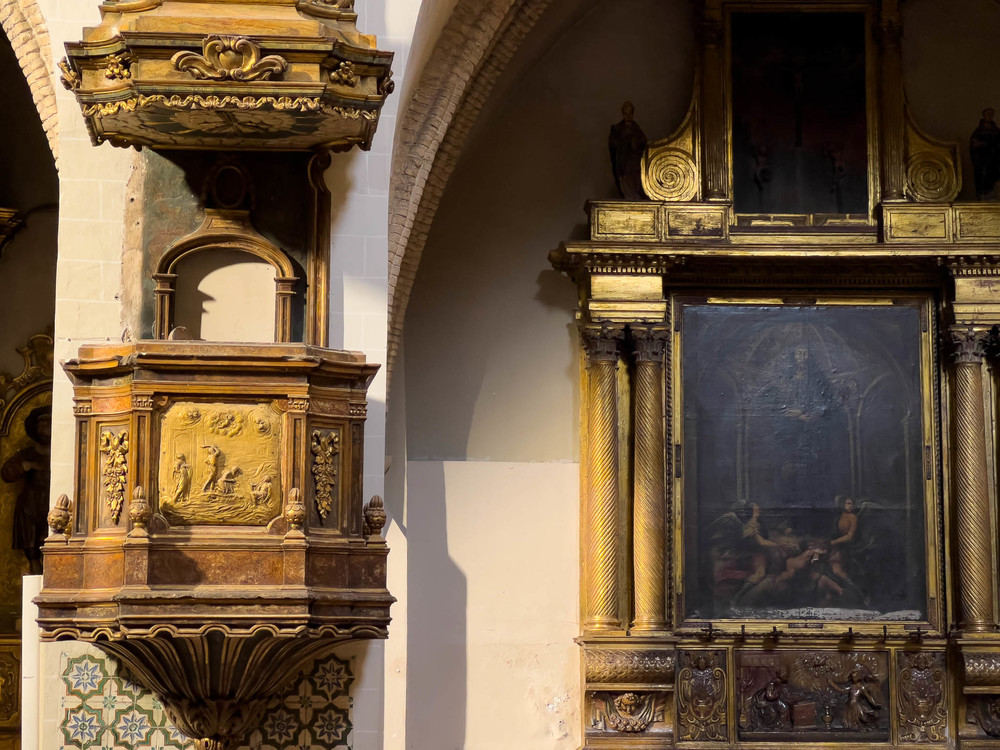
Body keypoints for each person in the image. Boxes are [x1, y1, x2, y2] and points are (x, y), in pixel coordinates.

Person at [1, 406, 52, 574]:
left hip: (51, 502)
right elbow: (7, 473)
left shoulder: (60, 454)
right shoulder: (28, 454)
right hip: (30, 506)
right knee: (31, 547)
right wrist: (26, 465)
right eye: (40, 425)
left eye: (47, 424)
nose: (44, 429)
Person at [608, 101, 648, 200]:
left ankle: (634, 197)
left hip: (635, 161)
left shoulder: (636, 128)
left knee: (634, 181)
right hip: (623, 161)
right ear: (623, 114)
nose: (628, 116)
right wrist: (624, 140)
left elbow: (644, 142)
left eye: (630, 113)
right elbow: (613, 144)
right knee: (625, 181)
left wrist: (636, 142)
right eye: (626, 113)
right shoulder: (618, 128)